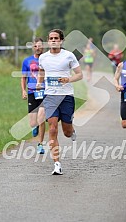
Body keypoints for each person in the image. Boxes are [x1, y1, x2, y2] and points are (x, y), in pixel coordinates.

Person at [36, 29, 83, 175]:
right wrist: (39, 82)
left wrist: (68, 79)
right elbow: (42, 71)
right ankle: (57, 164)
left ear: (61, 40)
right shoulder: (43, 57)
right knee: (52, 128)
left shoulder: (69, 56)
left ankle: (72, 128)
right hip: (50, 96)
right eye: (51, 38)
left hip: (66, 96)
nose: (54, 40)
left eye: (56, 38)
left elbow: (79, 74)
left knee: (67, 132)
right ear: (48, 41)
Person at [21, 37, 46, 154]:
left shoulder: (47, 59)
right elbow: (23, 77)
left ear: (43, 47)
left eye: (40, 46)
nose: (38, 48)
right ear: (33, 47)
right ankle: (34, 127)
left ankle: (40, 144)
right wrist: (23, 90)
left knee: (41, 117)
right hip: (31, 91)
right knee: (32, 122)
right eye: (35, 46)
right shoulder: (27, 61)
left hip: (45, 91)